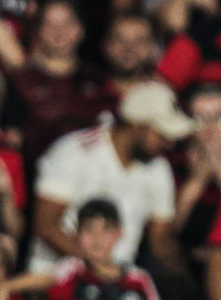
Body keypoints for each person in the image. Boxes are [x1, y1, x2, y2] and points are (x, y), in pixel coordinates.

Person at [29, 81, 191, 276]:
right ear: (136, 125)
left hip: (119, 288)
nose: (169, 143)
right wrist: (99, 270)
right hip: (55, 277)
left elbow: (160, 240)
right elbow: (46, 225)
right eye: (163, 134)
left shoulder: (159, 168)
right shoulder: (74, 152)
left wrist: (182, 278)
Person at [46, 198, 170, 300]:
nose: (97, 239)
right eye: (89, 230)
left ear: (119, 233)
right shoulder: (69, 270)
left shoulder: (140, 280)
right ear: (76, 234)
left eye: (106, 230)